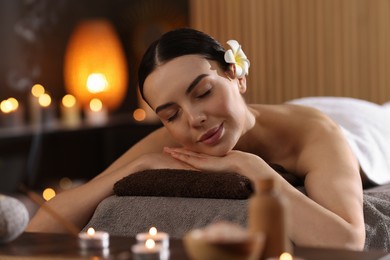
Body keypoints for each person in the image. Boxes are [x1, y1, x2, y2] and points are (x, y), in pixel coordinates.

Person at [28, 27, 384, 250]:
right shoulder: (179, 137)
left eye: (202, 92)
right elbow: (42, 225)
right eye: (171, 114)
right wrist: (139, 165)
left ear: (236, 75)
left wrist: (254, 169)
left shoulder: (314, 134)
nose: (194, 118)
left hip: (363, 122)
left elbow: (348, 241)